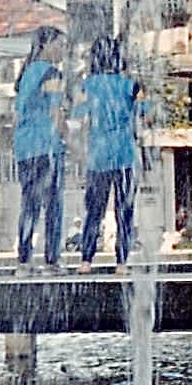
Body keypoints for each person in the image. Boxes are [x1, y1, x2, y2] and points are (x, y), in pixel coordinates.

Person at [72, 36, 140, 273]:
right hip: (125, 156)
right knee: (125, 210)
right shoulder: (129, 85)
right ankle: (121, 263)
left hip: (98, 156)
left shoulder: (86, 86)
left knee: (94, 211)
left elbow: (78, 120)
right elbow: (147, 114)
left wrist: (80, 152)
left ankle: (86, 261)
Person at [14, 25, 69, 274]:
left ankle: (24, 261)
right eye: (60, 44)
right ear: (46, 45)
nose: (63, 50)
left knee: (29, 205)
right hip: (47, 149)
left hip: (25, 149)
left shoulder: (26, 74)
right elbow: (56, 113)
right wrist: (71, 141)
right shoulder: (51, 74)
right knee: (53, 206)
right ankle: (52, 261)